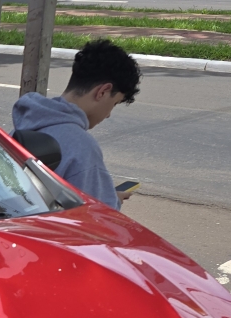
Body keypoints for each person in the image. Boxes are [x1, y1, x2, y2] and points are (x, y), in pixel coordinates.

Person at [12, 38, 141, 210]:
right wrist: (113, 200)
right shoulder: (81, 147)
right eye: (115, 103)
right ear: (103, 92)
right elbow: (98, 216)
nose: (109, 114)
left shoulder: (23, 126)